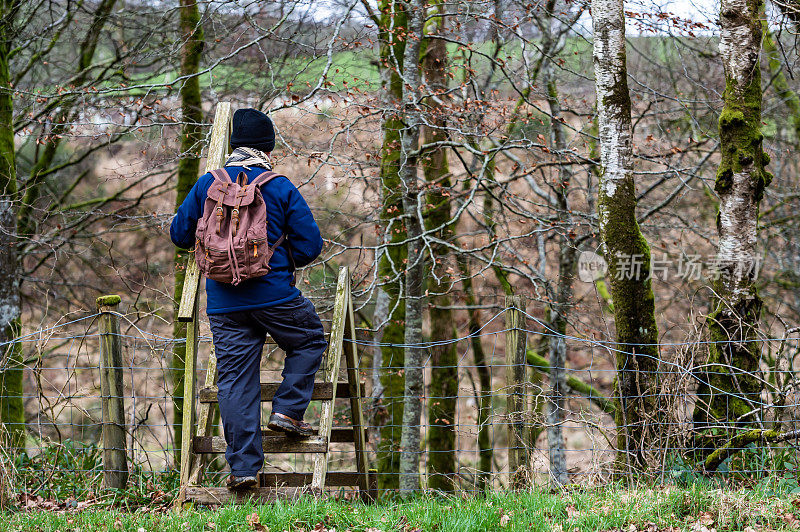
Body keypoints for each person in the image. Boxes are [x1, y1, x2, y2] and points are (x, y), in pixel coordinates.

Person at [169, 108, 327, 491]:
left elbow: (178, 234)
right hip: (275, 297)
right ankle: (288, 412)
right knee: (308, 340)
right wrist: (276, 260)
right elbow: (311, 246)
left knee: (236, 382)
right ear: (267, 146)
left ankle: (243, 469)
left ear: (234, 144)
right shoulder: (279, 185)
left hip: (223, 303)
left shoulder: (208, 183)